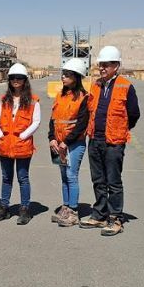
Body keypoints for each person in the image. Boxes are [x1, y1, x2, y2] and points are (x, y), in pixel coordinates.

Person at [81, 46, 140, 236]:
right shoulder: (96, 85)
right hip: (95, 139)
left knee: (113, 182)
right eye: (101, 65)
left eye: (106, 65)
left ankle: (115, 218)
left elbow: (134, 114)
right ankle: (99, 214)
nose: (102, 68)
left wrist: (121, 129)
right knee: (98, 180)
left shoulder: (126, 86)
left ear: (116, 65)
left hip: (114, 142)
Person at [0, 63, 41, 225]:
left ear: (25, 80)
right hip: (5, 144)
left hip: (22, 144)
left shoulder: (33, 101)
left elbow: (36, 121)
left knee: (22, 177)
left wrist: (23, 136)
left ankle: (24, 209)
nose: (16, 80)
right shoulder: (5, 99)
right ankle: (4, 207)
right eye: (13, 78)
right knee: (6, 178)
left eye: (19, 78)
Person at [51, 58, 91, 228]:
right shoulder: (60, 95)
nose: (63, 77)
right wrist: (51, 138)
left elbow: (82, 123)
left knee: (71, 175)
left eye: (67, 75)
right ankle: (66, 207)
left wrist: (66, 142)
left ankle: (73, 211)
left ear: (76, 77)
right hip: (59, 142)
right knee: (63, 176)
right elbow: (53, 119)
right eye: (63, 74)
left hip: (74, 143)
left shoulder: (83, 97)